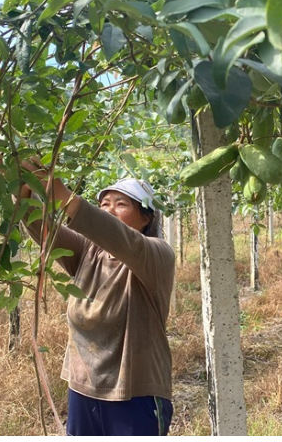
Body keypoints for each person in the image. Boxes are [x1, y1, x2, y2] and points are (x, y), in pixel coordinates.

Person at [17, 159, 176, 436]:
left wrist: (64, 196)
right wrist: (23, 192)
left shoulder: (156, 254)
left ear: (146, 218)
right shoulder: (89, 252)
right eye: (104, 204)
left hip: (135, 394)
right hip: (83, 388)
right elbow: (44, 231)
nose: (110, 210)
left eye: (121, 204)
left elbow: (116, 235)